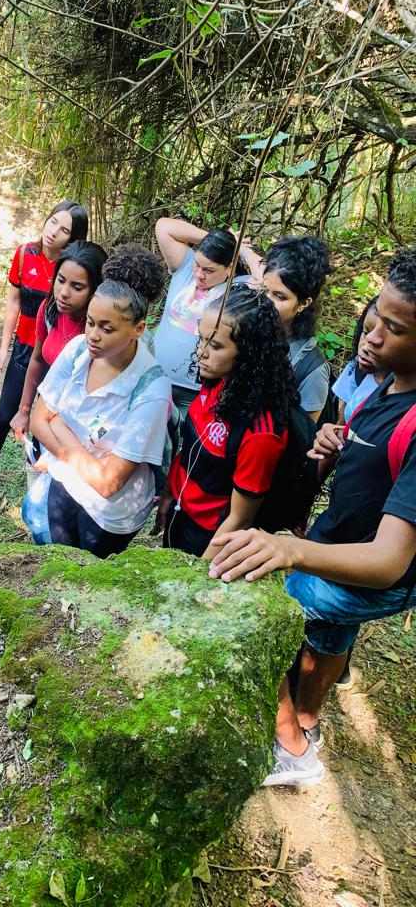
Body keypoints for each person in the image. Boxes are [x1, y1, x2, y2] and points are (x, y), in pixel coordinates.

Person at [209, 247, 416, 786]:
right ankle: (306, 718)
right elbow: (372, 461)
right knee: (328, 635)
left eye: (394, 329)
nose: (372, 337)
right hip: (337, 539)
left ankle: (291, 749)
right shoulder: (386, 380)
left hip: (366, 569)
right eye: (374, 318)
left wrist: (290, 550)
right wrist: (336, 444)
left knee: (258, 603)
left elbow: (390, 561)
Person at [29, 244, 173, 557]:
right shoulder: (78, 350)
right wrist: (87, 463)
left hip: (110, 513)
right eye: (91, 322)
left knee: (91, 569)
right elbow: (37, 421)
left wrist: (60, 427)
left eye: (107, 328)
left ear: (138, 329)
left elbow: (109, 484)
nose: (93, 335)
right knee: (58, 560)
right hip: (65, 485)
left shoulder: (152, 388)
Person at [0, 200, 89, 507]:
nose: (53, 232)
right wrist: (3, 348)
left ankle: (34, 471)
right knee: (6, 414)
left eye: (64, 230)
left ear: (73, 239)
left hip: (58, 355)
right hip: (25, 349)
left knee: (48, 420)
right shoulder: (25, 254)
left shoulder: (71, 271)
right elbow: (14, 302)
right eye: (53, 222)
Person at [156, 286, 294, 558]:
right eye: (202, 338)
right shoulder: (216, 384)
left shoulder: (261, 433)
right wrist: (171, 493)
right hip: (180, 511)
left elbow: (240, 519)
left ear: (248, 352)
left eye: (215, 346)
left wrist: (203, 571)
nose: (201, 352)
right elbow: (191, 448)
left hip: (208, 536)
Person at [10, 240, 107, 443]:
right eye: (60, 280)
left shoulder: (102, 332)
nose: (64, 292)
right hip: (46, 415)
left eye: (77, 287)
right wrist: (24, 410)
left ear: (95, 290)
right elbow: (37, 360)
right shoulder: (49, 310)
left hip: (81, 430)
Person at [154, 217, 248, 417]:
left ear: (230, 267)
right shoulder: (186, 266)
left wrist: (241, 250)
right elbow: (164, 226)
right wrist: (218, 240)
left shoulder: (238, 287)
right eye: (197, 265)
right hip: (156, 379)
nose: (199, 274)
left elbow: (267, 278)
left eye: (209, 270)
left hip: (196, 391)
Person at [251, 236, 332, 420]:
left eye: (280, 297)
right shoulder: (249, 328)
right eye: (264, 290)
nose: (266, 301)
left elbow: (303, 433)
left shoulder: (311, 370)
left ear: (304, 303)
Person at [333, 297, 385, 423]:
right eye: (365, 332)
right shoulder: (356, 368)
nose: (365, 347)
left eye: (381, 340)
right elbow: (343, 421)